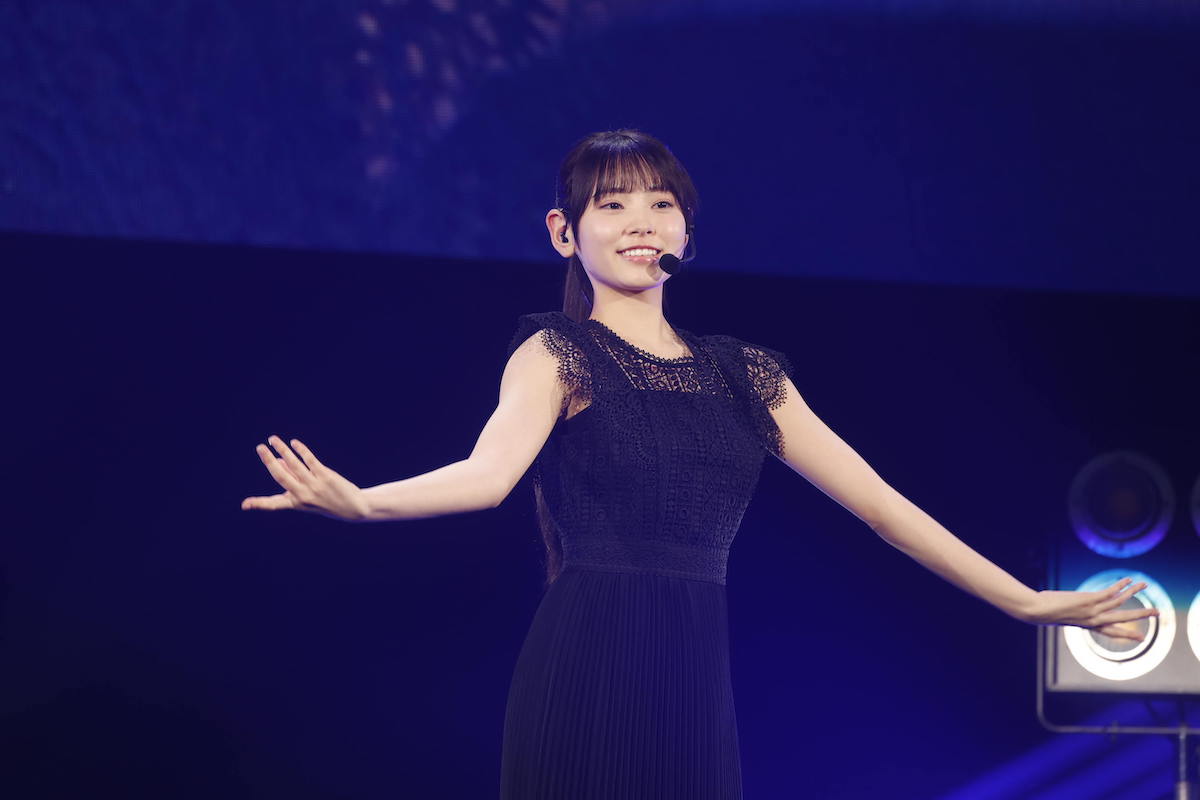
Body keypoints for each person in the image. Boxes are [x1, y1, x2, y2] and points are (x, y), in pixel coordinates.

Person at [242, 129, 1159, 799]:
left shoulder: (745, 375)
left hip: (693, 673)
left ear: (687, 231)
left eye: (661, 203)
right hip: (586, 659)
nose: (641, 222)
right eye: (612, 204)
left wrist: (1027, 602)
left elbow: (881, 505)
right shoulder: (556, 352)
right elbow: (487, 475)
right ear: (563, 231)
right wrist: (364, 502)